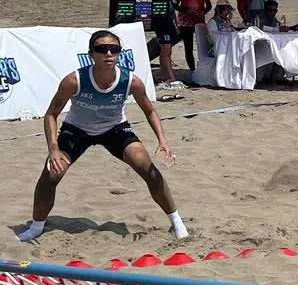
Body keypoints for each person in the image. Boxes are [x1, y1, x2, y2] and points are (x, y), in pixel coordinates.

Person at [16, 30, 188, 243]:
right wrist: (53, 149)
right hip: (77, 129)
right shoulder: (74, 80)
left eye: (114, 49)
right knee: (51, 175)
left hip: (114, 129)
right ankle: (36, 226)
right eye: (101, 49)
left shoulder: (131, 81)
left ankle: (177, 223)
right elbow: (51, 114)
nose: (108, 53)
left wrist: (163, 140)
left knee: (148, 169)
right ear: (91, 54)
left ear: (119, 54)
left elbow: (150, 111)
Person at [172, 0, 211, 74]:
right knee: (188, 48)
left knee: (203, 47)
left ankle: (204, 68)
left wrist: (204, 11)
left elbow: (208, 5)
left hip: (199, 22)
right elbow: (175, 5)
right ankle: (192, 70)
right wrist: (186, 10)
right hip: (185, 23)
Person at [151, 0, 180, 84]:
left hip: (168, 19)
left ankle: (165, 75)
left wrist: (176, 21)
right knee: (166, 48)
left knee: (167, 49)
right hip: (160, 20)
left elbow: (171, 6)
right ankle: (170, 77)